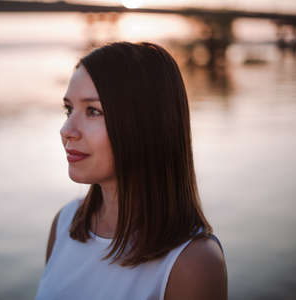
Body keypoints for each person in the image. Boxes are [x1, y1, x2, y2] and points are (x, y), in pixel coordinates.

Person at [35, 41, 227, 300]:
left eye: (93, 111)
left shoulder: (191, 263)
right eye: (69, 109)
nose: (67, 130)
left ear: (145, 124)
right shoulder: (66, 223)